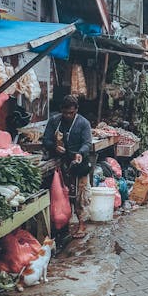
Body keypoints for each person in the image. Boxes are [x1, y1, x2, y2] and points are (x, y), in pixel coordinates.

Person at [43, 94, 92, 238]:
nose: (68, 115)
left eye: (71, 113)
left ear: (76, 110)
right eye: (65, 113)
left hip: (79, 162)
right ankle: (64, 223)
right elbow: (46, 139)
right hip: (60, 162)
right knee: (62, 194)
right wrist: (54, 147)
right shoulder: (54, 121)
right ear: (61, 110)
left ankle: (82, 225)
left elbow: (87, 143)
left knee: (80, 195)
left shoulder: (83, 123)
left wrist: (80, 153)